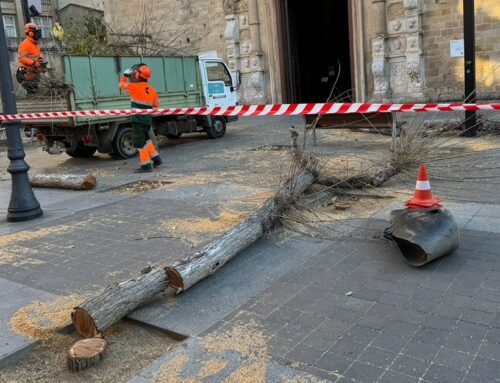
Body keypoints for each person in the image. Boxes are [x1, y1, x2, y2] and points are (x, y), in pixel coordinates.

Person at [118, 63, 163, 173]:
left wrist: (125, 75)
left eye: (135, 73)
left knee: (140, 142)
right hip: (147, 120)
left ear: (138, 76)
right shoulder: (152, 89)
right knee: (147, 140)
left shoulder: (133, 87)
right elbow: (156, 104)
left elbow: (121, 85)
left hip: (138, 120)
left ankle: (146, 166)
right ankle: (156, 159)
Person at [17, 23, 46, 94]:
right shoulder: (25, 44)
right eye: (36, 32)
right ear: (30, 33)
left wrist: (42, 62)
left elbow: (38, 55)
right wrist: (33, 63)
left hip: (33, 72)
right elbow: (21, 58)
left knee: (35, 91)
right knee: (32, 91)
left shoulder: (35, 44)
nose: (38, 34)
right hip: (25, 73)